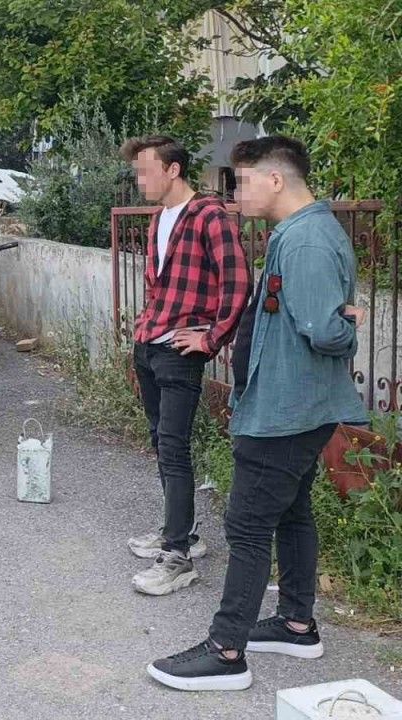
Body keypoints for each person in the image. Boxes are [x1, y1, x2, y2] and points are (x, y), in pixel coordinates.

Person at [148, 136, 369, 691]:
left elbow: (323, 330)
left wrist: (348, 326)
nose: (234, 195)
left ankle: (226, 652)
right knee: (291, 512)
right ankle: (296, 624)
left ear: (275, 179)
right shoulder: (298, 233)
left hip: (285, 411)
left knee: (247, 526)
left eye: (242, 182)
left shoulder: (307, 242)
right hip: (291, 405)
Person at [120, 135, 251, 596]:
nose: (140, 180)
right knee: (161, 440)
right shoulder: (159, 218)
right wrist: (144, 330)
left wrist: (212, 338)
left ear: (172, 169)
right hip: (150, 345)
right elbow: (157, 286)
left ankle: (177, 557)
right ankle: (184, 532)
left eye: (145, 171)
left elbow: (237, 282)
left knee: (174, 447)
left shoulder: (209, 215)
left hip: (181, 352)